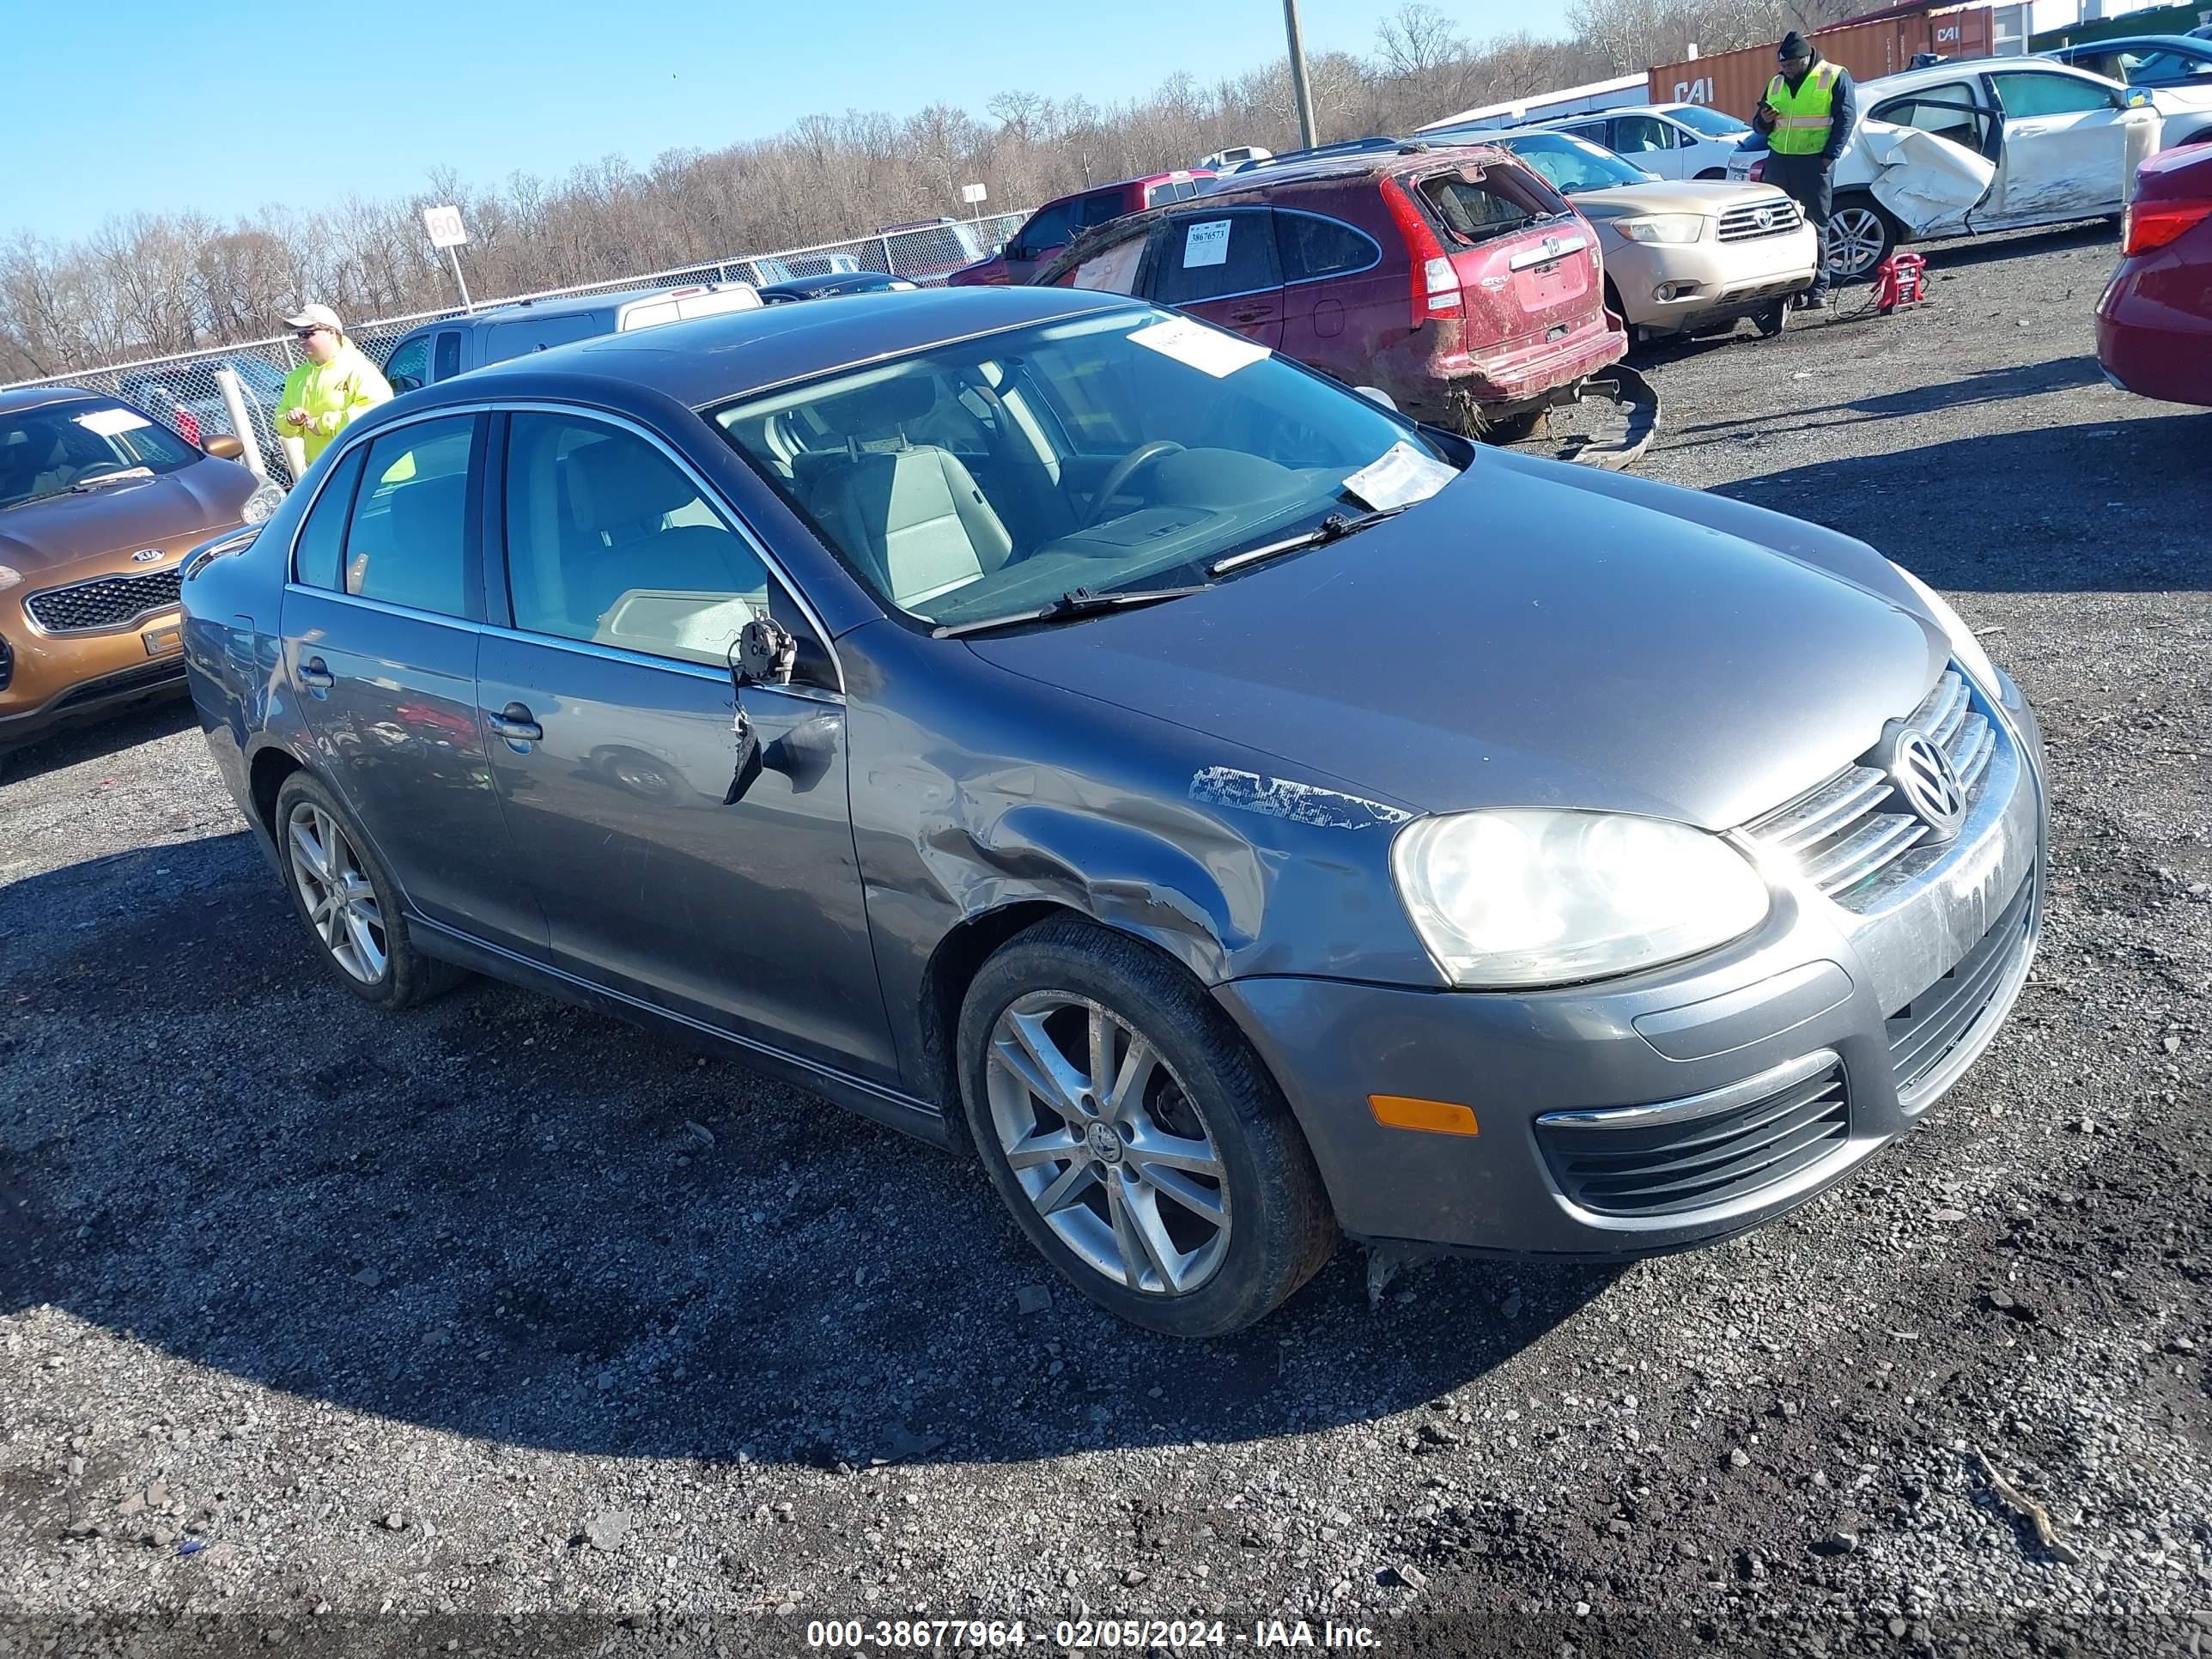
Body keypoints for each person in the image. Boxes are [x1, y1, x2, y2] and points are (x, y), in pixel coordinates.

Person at [1753, 31, 1856, 308]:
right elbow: (1759, 126)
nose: (1784, 69)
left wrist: (1829, 157)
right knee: (1778, 226)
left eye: (1789, 65)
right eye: (1782, 65)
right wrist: (1763, 120)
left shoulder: (1833, 76)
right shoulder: (1776, 82)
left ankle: (1818, 289)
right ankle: (1788, 290)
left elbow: (1846, 118)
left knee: (1815, 226)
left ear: (1805, 58)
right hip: (1779, 162)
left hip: (1814, 162)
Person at [273, 304, 392, 468]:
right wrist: (291, 421)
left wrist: (323, 424)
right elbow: (281, 421)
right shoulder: (296, 378)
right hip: (330, 473)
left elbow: (376, 412)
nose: (302, 341)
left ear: (331, 332)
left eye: (308, 334)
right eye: (300, 335)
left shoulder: (358, 368)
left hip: (374, 469)